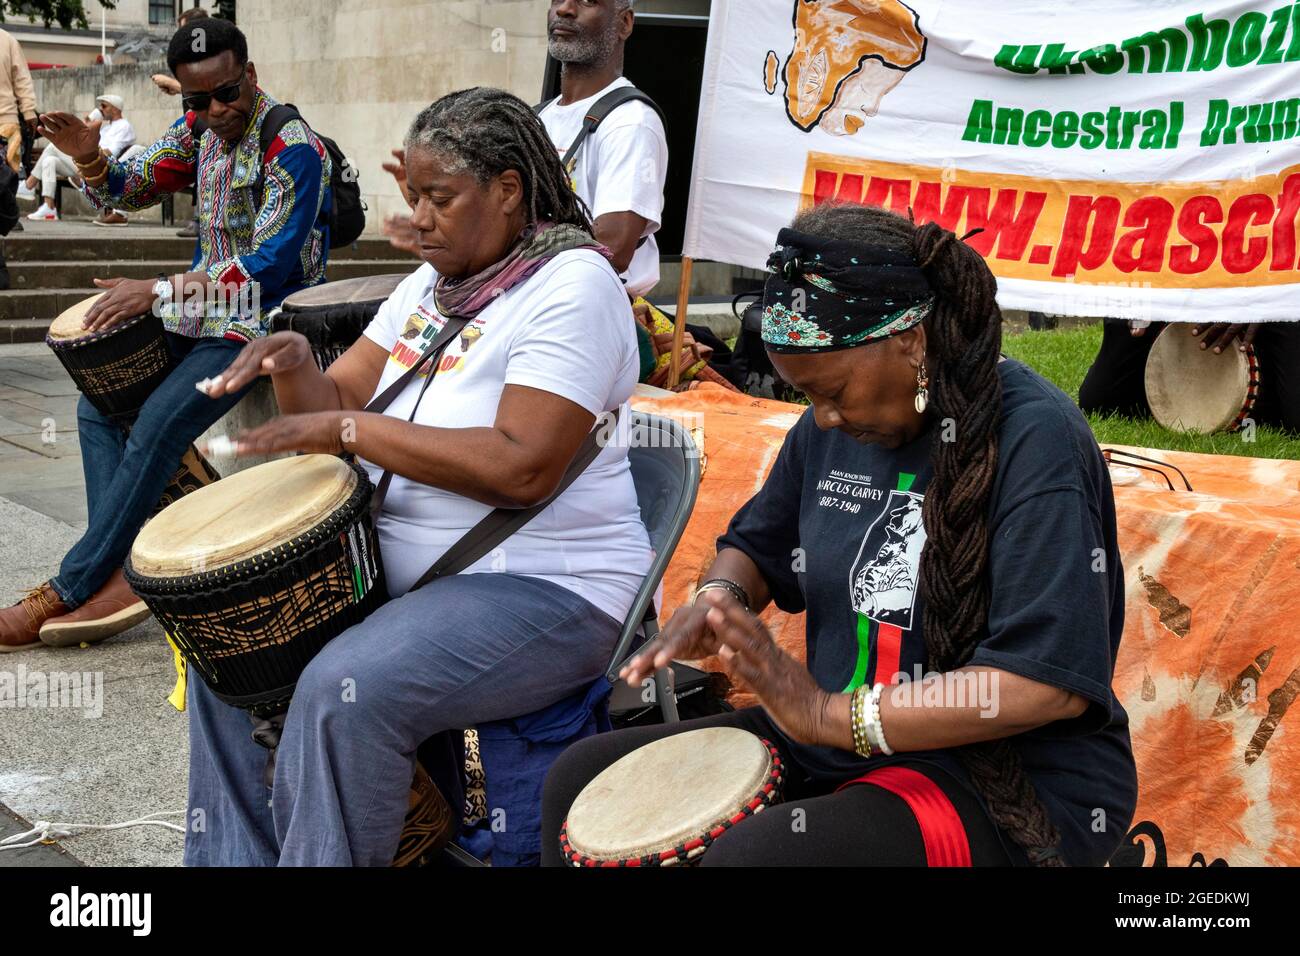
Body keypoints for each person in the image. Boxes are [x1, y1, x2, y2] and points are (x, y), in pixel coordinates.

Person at [541, 202, 1138, 868]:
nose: (822, 419)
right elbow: (757, 549)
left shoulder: (1036, 441)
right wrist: (720, 599)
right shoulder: (834, 430)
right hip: (829, 737)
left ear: (910, 340)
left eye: (832, 391)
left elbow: (1040, 684)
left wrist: (830, 715)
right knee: (578, 780)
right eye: (805, 396)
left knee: (761, 858)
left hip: (994, 773)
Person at [185, 87, 651, 866]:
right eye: (414, 198)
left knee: (346, 690)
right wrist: (298, 365)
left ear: (508, 191)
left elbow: (522, 465)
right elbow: (337, 404)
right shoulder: (429, 288)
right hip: (409, 575)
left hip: (550, 586)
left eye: (441, 198)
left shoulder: (572, 286)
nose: (421, 219)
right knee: (233, 655)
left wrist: (350, 427)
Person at [0, 18, 330, 651]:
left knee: (155, 421)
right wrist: (89, 155)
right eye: (196, 99)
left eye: (226, 94)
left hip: (265, 321)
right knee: (100, 401)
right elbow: (129, 187)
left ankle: (70, 585)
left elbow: (268, 270)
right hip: (199, 310)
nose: (214, 111)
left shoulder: (293, 148)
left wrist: (156, 290)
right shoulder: (196, 129)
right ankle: (121, 570)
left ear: (250, 77)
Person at [1079, 320, 1300, 433]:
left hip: (1275, 275)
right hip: (1182, 266)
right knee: (1101, 400)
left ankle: (1262, 387)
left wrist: (1262, 295)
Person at [22, 94, 136, 223]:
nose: (100, 109)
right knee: (50, 161)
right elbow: (88, 144)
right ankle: (49, 208)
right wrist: (87, 124)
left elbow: (111, 153)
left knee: (53, 147)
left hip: (99, 166)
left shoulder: (124, 126)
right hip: (86, 164)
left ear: (115, 109)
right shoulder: (106, 128)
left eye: (104, 106)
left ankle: (28, 185)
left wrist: (89, 152)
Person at [152, 5, 210, 238]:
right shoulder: (194, 54)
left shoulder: (209, 52)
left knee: (205, 165)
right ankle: (198, 220)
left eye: (184, 31)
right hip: (195, 122)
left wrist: (177, 86)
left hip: (207, 124)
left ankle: (200, 221)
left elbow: (210, 88)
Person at [0, 26, 37, 175]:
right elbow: (22, 79)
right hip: (7, 121)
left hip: (6, 121)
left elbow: (22, 78)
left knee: (8, 177)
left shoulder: (8, 40)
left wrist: (28, 110)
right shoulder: (7, 39)